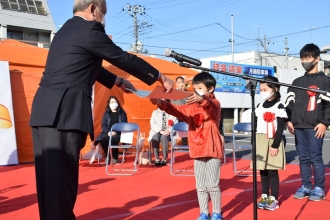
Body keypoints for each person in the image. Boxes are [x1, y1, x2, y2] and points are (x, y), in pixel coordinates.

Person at [29, 0, 174, 219]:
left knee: (48, 183)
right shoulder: (90, 29)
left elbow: (83, 64)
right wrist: (160, 76)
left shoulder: (65, 31)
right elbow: (122, 57)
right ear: (93, 9)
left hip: (43, 112)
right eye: (103, 13)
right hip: (65, 114)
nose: (103, 19)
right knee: (61, 183)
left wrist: (116, 80)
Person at [150, 72, 225, 220]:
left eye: (200, 88)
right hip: (197, 149)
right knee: (200, 186)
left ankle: (217, 212)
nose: (195, 90)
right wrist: (160, 103)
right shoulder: (191, 106)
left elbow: (210, 107)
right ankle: (204, 212)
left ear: (210, 89)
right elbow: (176, 110)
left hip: (212, 148)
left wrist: (202, 99)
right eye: (194, 88)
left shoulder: (215, 103)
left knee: (213, 185)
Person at [285, 43, 330, 202]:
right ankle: (305, 185)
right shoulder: (296, 81)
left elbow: (328, 105)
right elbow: (289, 103)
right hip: (298, 126)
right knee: (303, 158)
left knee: (316, 157)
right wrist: (288, 120)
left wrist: (325, 122)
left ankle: (319, 188)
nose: (305, 61)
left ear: (317, 59)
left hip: (315, 126)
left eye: (308, 58)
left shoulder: (325, 81)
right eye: (303, 58)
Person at [253, 76, 287, 211]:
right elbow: (255, 125)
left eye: (265, 89)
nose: (263, 92)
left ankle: (274, 199)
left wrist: (275, 145)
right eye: (261, 90)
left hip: (273, 140)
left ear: (275, 89)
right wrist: (253, 143)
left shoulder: (279, 106)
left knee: (272, 171)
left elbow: (280, 127)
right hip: (260, 140)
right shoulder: (258, 106)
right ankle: (264, 196)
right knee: (263, 171)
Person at [94, 96, 127, 164]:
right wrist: (108, 132)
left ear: (117, 103)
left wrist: (116, 132)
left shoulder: (122, 113)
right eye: (112, 102)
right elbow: (104, 125)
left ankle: (114, 158)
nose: (114, 103)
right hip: (109, 133)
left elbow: (124, 124)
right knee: (103, 138)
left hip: (119, 133)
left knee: (113, 139)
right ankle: (108, 156)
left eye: (115, 102)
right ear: (109, 104)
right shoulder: (106, 114)